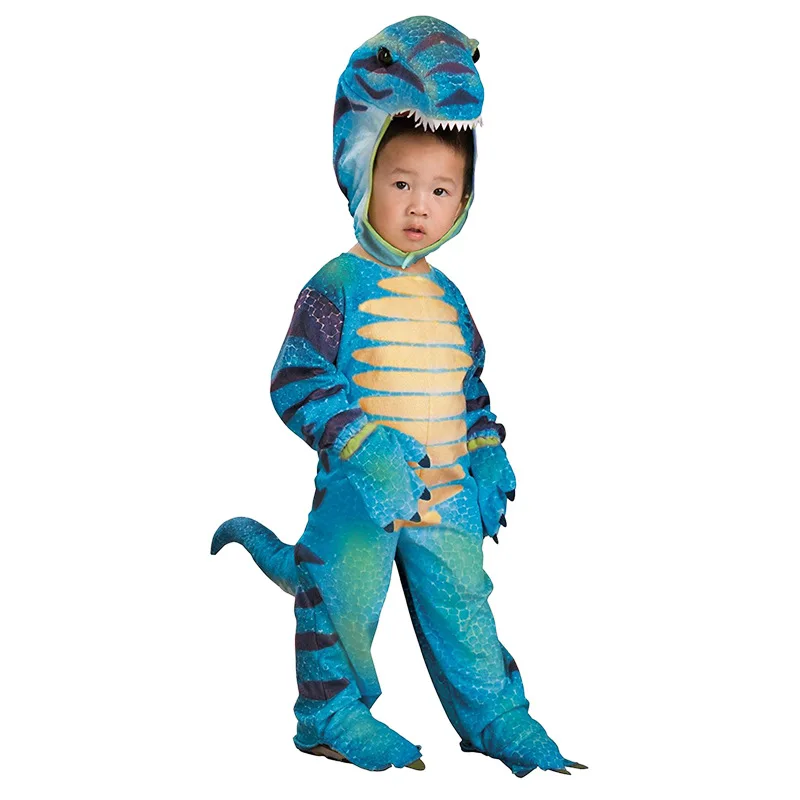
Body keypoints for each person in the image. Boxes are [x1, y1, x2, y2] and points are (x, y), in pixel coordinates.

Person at [212, 15, 586, 778]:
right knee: (341, 599)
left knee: (466, 609)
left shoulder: (451, 300)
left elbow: (472, 393)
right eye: (401, 183)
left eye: (441, 190)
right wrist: (364, 446)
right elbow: (294, 378)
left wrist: (487, 455)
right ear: (363, 176)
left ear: (464, 199)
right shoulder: (335, 285)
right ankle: (330, 715)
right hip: (360, 492)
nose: (420, 205)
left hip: (446, 495)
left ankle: (497, 718)